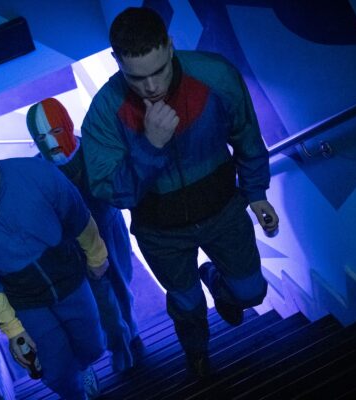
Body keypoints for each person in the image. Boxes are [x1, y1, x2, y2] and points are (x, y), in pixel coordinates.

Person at [81, 7, 279, 378]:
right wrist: (150, 147)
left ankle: (215, 279)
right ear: (116, 61)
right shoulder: (104, 111)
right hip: (160, 232)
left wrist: (256, 192)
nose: (151, 87)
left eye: (158, 70)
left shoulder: (215, 75)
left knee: (252, 292)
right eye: (137, 77)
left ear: (170, 46)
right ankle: (196, 352)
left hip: (224, 211)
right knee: (186, 303)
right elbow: (111, 192)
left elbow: (247, 136)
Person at [0, 120, 108, 399]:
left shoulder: (37, 172)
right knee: (55, 369)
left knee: (93, 346)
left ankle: (84, 367)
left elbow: (77, 216)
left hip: (70, 280)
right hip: (24, 301)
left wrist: (97, 256)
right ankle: (75, 395)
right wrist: (13, 330)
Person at [26, 98, 145, 372]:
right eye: (41, 137)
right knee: (100, 299)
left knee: (122, 284)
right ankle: (120, 345)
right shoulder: (39, 171)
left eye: (56, 131)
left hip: (109, 228)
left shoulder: (93, 148)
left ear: (67, 125)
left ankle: (132, 334)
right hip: (74, 244)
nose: (50, 142)